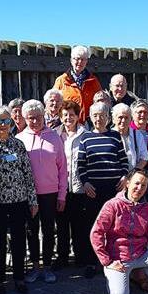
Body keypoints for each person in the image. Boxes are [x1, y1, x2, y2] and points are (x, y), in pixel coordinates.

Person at [0, 105, 37, 294]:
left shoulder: (18, 145)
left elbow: (27, 173)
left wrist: (32, 200)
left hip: (19, 200)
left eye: (6, 120)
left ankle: (19, 278)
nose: (3, 124)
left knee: (19, 240)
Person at [16, 100, 67, 283]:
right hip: (29, 194)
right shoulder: (20, 139)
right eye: (31, 118)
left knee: (48, 229)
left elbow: (63, 168)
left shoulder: (54, 137)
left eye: (38, 117)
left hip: (50, 193)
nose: (35, 121)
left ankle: (47, 266)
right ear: (25, 118)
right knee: (31, 230)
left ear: (43, 116)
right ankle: (35, 266)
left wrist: (62, 195)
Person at [54, 101, 94, 276]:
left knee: (80, 225)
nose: (68, 118)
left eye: (72, 115)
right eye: (65, 115)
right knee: (61, 225)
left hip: (79, 188)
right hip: (60, 188)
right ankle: (62, 257)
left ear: (78, 116)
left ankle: (80, 256)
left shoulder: (86, 135)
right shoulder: (55, 135)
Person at [77, 102, 130, 228]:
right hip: (93, 190)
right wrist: (85, 182)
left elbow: (123, 160)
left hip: (114, 188)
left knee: (115, 222)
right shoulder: (85, 138)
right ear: (90, 117)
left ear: (108, 117)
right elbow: (81, 164)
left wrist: (125, 176)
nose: (98, 119)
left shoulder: (115, 136)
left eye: (102, 115)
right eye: (95, 115)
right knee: (95, 223)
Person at [53, 45, 102, 123]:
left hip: (88, 124)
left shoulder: (94, 81)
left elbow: (100, 103)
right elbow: (53, 102)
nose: (80, 62)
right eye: (77, 59)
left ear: (86, 61)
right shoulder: (61, 80)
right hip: (67, 123)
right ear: (71, 60)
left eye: (83, 59)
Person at [131, 99, 148, 208]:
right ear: (133, 114)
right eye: (139, 112)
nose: (142, 115)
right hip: (133, 172)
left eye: (145, 112)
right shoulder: (128, 129)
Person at [113, 103, 148, 170]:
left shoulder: (137, 134)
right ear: (113, 119)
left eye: (126, 118)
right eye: (120, 117)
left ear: (130, 119)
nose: (123, 121)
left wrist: (134, 172)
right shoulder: (109, 135)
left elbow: (144, 158)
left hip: (133, 173)